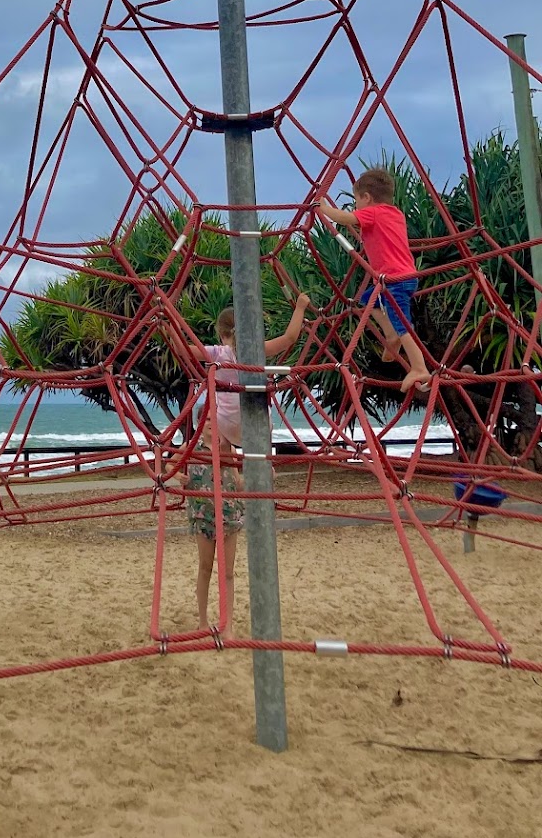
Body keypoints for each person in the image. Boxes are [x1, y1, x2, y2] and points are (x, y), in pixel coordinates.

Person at [180, 294, 311, 632]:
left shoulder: (218, 353)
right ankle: (261, 465)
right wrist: (299, 306)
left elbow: (185, 350)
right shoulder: (251, 350)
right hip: (253, 423)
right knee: (260, 426)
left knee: (218, 434)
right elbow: (290, 339)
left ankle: (238, 468)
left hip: (224, 424)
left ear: (220, 332)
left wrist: (170, 322)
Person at [317, 168, 432, 395]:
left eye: (357, 200)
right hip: (404, 277)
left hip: (394, 280)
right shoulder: (395, 213)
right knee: (368, 300)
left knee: (403, 324)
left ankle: (419, 367)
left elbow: (344, 218)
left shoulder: (373, 213)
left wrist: (321, 207)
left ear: (367, 198)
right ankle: (389, 334)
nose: (356, 206)